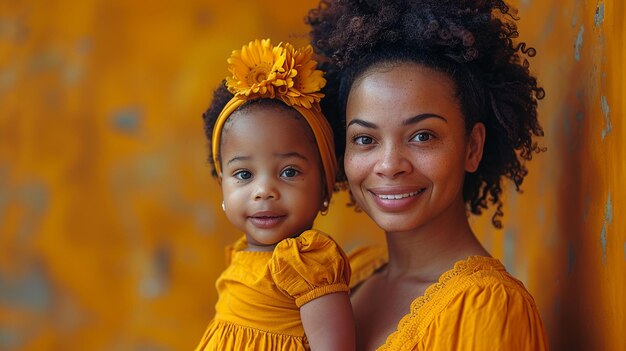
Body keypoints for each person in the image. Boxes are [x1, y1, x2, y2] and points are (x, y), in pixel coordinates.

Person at [306, 0, 549, 350]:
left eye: (423, 136)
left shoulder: (486, 307)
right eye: (365, 139)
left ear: (472, 147)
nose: (389, 164)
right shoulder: (345, 279)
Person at [194, 39, 354, 351]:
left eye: (289, 172)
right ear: (222, 186)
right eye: (244, 174)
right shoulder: (240, 255)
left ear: (325, 186)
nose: (264, 190)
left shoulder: (307, 263)